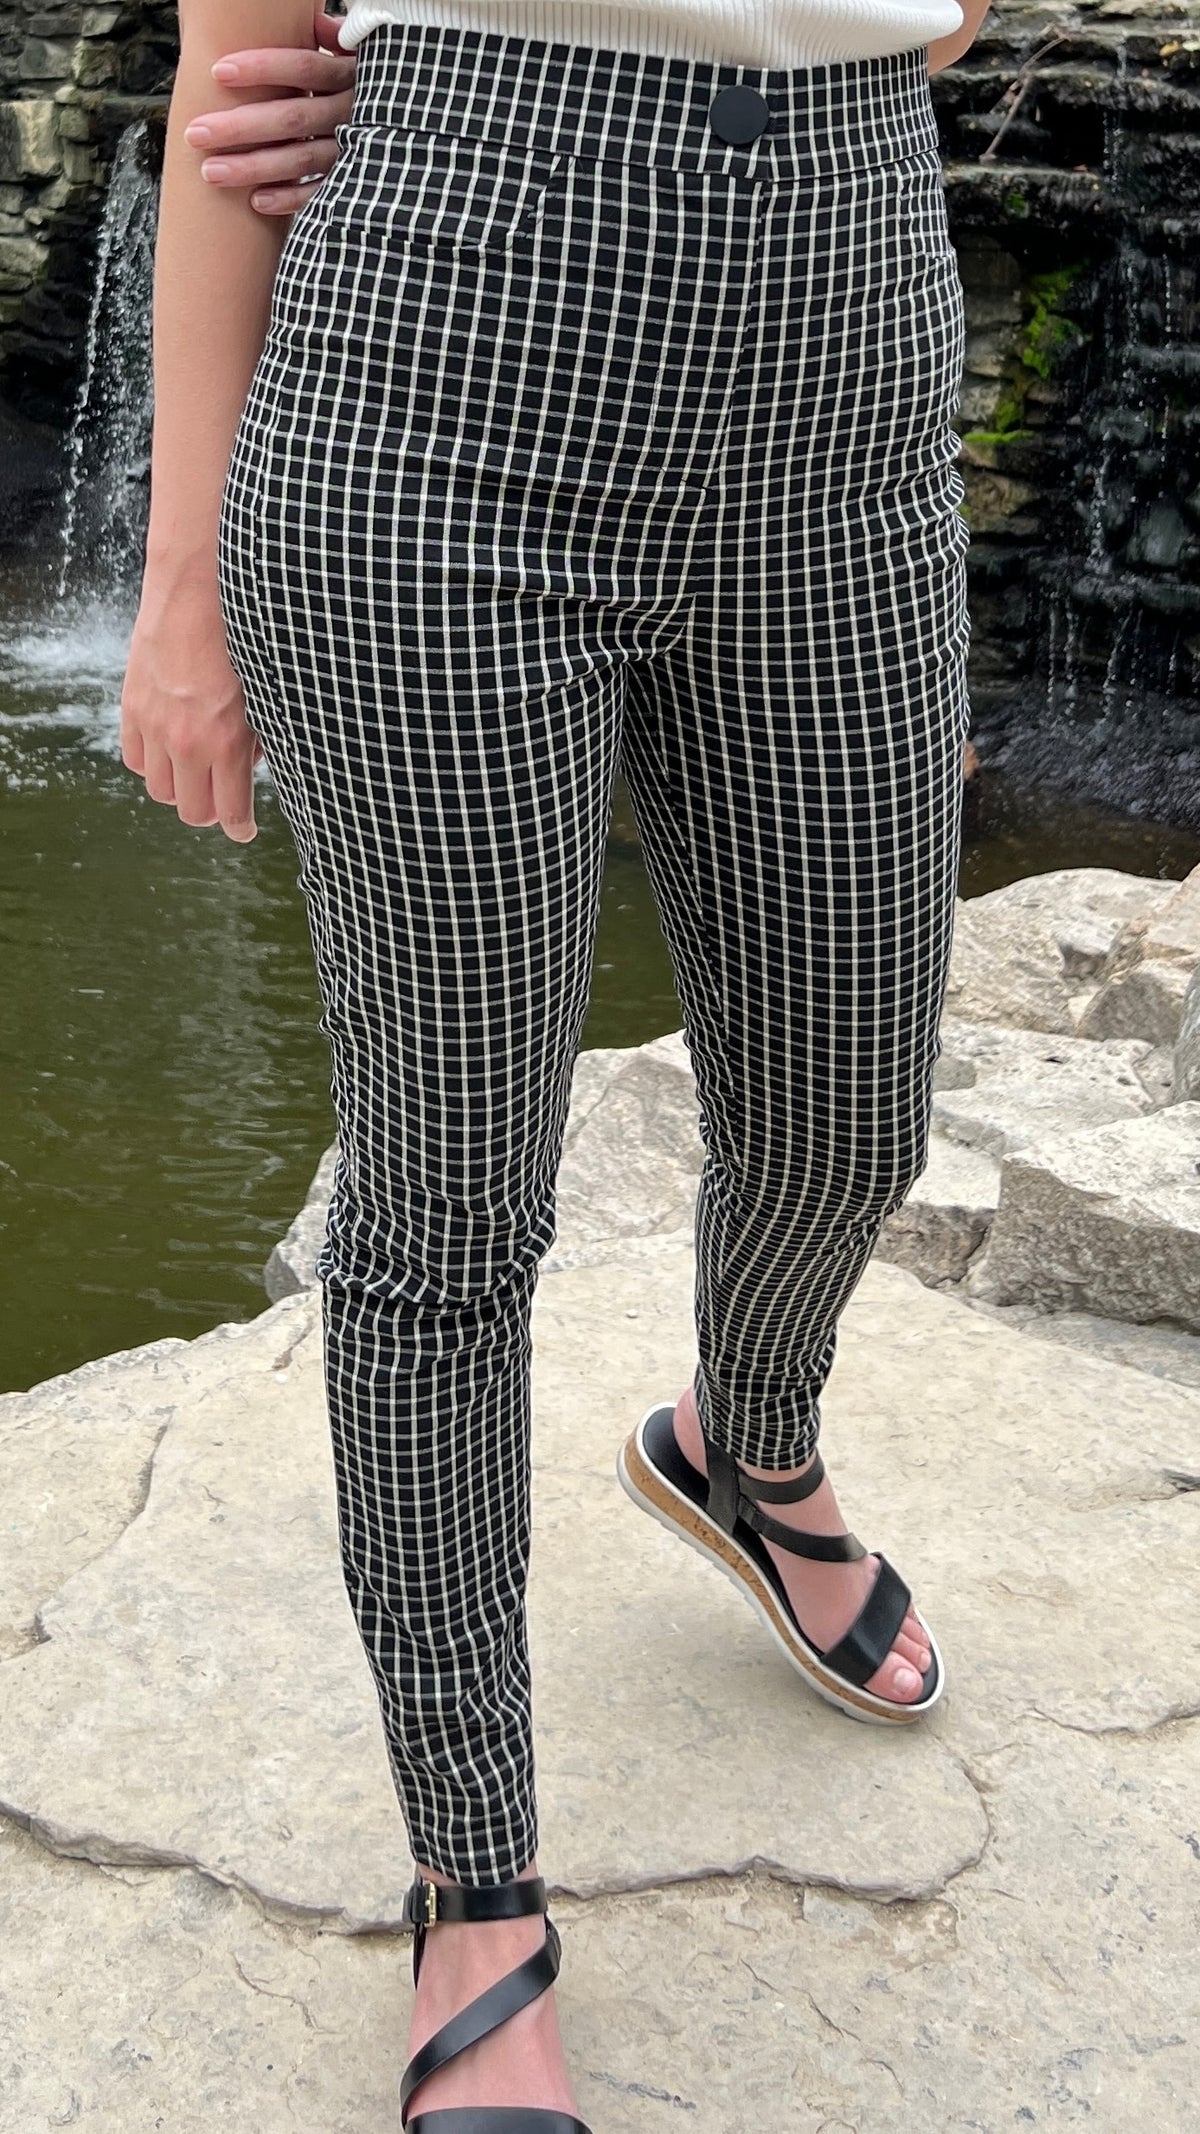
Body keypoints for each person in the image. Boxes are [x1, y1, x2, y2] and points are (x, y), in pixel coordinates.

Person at [120, 0, 991, 2122]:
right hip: (435, 373)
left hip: (851, 352)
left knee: (854, 1098)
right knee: (446, 1211)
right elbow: (234, 74)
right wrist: (181, 586)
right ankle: (475, 1869)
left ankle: (745, 1440)